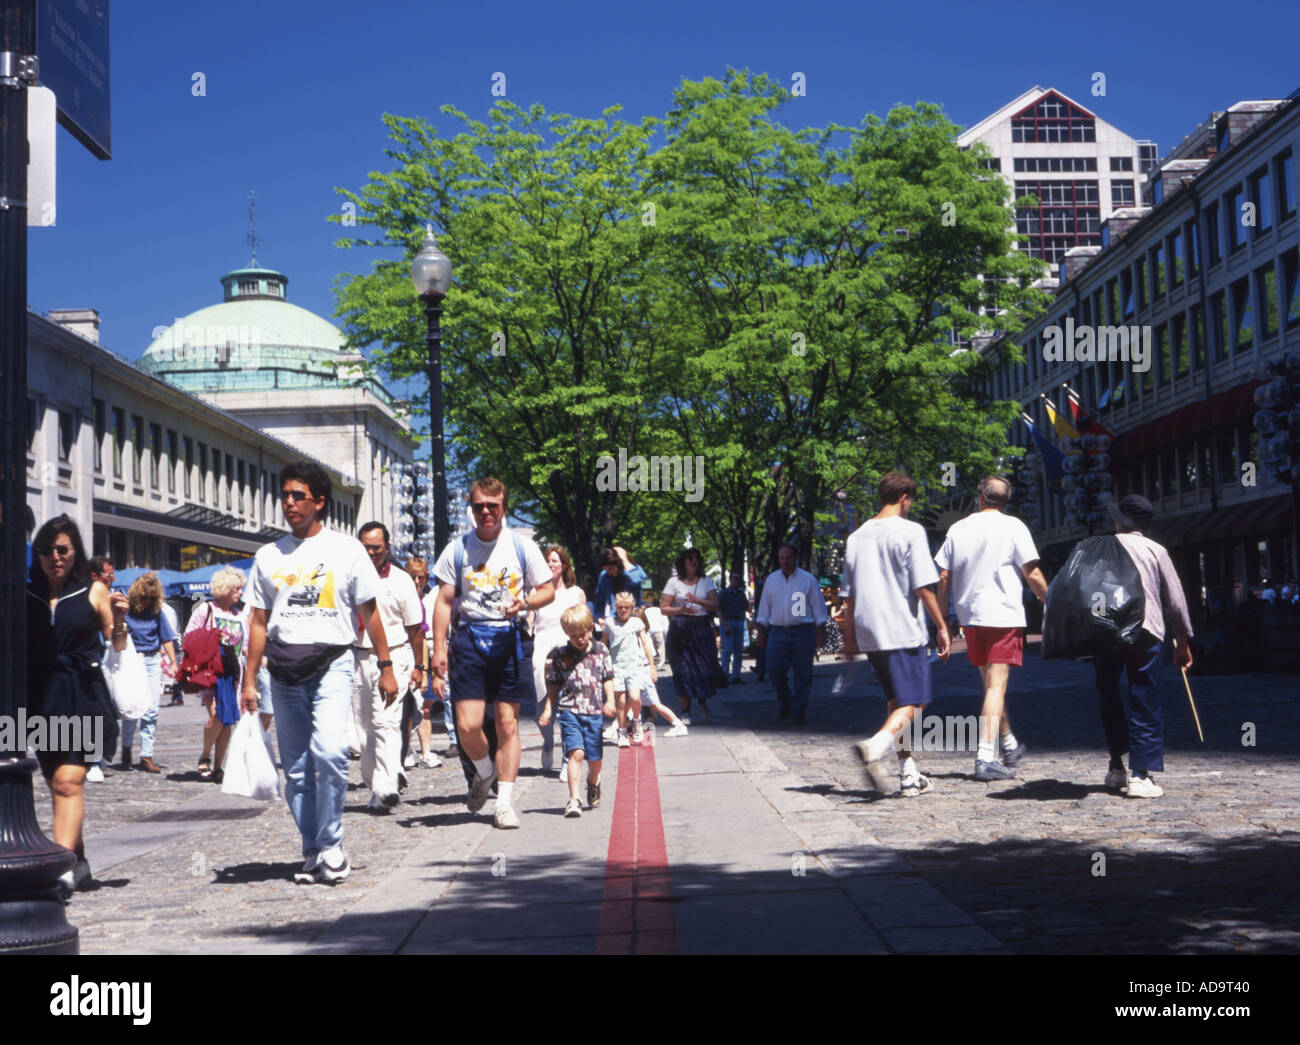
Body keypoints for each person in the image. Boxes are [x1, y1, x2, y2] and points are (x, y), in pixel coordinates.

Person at [241, 461, 398, 885]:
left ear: (319, 502)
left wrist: (386, 666)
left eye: (299, 496)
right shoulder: (268, 555)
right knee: (294, 768)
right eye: (286, 495)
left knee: (329, 753)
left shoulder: (346, 550)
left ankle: (331, 844)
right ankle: (312, 848)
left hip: (332, 662)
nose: (290, 503)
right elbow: (258, 620)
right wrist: (249, 678)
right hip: (284, 669)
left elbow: (369, 610)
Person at [429, 477, 554, 829]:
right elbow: (443, 601)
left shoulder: (521, 547)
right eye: (480, 505)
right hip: (469, 640)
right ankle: (484, 773)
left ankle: (505, 802)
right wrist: (438, 650)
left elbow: (547, 591)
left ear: (504, 508)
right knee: (467, 725)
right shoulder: (457, 550)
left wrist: (526, 601)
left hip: (510, 640)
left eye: (493, 506)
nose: (486, 511)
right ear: (471, 506)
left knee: (506, 722)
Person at [27, 515, 128, 895]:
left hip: (81, 693)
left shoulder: (93, 590)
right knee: (55, 781)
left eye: (63, 550)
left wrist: (119, 619)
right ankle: (79, 861)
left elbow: (116, 643)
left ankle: (61, 868)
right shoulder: (22, 592)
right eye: (47, 550)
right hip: (36, 695)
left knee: (70, 780)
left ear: (75, 554)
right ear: (37, 555)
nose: (55, 557)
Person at [842, 472, 951, 796]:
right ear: (904, 497)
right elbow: (923, 586)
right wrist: (942, 625)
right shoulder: (910, 531)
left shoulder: (857, 536)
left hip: (869, 630)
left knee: (897, 700)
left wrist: (849, 638)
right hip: (901, 627)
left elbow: (847, 594)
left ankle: (907, 772)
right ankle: (876, 745)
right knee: (916, 701)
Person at [934, 476, 1049, 781]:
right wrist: (1050, 600)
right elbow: (1032, 572)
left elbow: (943, 576)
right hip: (1002, 615)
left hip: (970, 616)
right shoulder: (1014, 527)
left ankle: (1009, 745)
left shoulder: (958, 528)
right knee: (996, 688)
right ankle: (985, 756)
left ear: (980, 497)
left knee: (990, 688)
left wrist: (943, 619)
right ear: (1005, 501)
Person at [1094, 495, 1194, 798]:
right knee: (1144, 697)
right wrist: (1183, 640)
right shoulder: (1156, 550)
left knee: (1109, 696)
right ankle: (1140, 774)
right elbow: (1175, 600)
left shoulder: (1101, 548)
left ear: (1121, 521)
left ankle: (1115, 766)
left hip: (1106, 631)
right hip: (1146, 630)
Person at [353, 522, 426, 812]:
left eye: (376, 548)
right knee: (362, 731)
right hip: (357, 657)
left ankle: (389, 783)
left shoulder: (401, 581)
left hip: (395, 657)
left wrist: (419, 666)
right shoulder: (350, 577)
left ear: (387, 548)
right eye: (365, 547)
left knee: (386, 723)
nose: (371, 553)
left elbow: (415, 629)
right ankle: (377, 786)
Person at [539, 605, 616, 817]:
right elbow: (553, 683)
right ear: (566, 634)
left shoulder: (601, 650)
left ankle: (593, 781)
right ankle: (574, 799)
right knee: (576, 753)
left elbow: (607, 677)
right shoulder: (560, 654)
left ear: (590, 628)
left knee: (595, 761)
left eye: (582, 634)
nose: (578, 639)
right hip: (569, 710)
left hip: (593, 711)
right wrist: (548, 708)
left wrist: (610, 701)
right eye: (573, 636)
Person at [186, 566, 250, 782]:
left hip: (233, 674)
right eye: (236, 589)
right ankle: (204, 757)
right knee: (217, 715)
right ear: (225, 589)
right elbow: (189, 636)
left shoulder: (240, 615)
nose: (240, 593)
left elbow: (246, 646)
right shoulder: (206, 610)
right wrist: (212, 636)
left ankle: (219, 766)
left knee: (227, 720)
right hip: (212, 673)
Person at [530, 545, 587, 774]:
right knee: (542, 708)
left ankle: (567, 758)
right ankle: (547, 743)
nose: (551, 565)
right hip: (542, 648)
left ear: (564, 565)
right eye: (547, 561)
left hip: (567, 647)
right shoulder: (536, 593)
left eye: (555, 561)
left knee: (567, 707)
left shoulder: (575, 593)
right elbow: (529, 623)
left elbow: (583, 623)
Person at [756, 544, 828, 724]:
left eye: (788, 558)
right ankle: (786, 700)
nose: (785, 561)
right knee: (774, 669)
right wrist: (761, 630)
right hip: (777, 632)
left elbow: (818, 606)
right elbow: (765, 606)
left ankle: (798, 711)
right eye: (782, 558)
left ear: (794, 558)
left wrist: (821, 630)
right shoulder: (771, 580)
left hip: (803, 631)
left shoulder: (808, 579)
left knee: (803, 674)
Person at [120, 572, 179, 774]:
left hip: (152, 660)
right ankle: (126, 749)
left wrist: (173, 662)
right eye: (144, 597)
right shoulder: (126, 612)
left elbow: (167, 639)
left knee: (152, 709)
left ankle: (146, 754)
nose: (147, 601)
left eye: (151, 598)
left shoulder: (156, 613)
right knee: (131, 709)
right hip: (131, 661)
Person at [661, 548, 719, 724]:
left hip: (701, 628)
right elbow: (664, 608)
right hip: (680, 628)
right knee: (682, 670)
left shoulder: (706, 581)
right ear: (683, 562)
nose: (694, 561)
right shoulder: (673, 582)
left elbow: (715, 604)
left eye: (696, 558)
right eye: (690, 558)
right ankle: (685, 712)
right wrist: (681, 609)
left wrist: (698, 601)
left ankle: (702, 699)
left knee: (704, 668)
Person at [402, 557, 442, 770]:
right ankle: (406, 749)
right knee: (404, 706)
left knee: (424, 706)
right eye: (412, 577)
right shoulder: (402, 597)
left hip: (419, 657)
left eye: (421, 577)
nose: (417, 581)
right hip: (401, 654)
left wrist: (425, 670)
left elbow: (423, 639)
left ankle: (426, 751)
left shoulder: (424, 603)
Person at [84, 559, 115, 783]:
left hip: (100, 662)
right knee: (96, 713)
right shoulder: (92, 593)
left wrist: (118, 616)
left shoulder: (104, 595)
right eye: (108, 575)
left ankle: (96, 758)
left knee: (105, 714)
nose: (111, 580)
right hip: (85, 663)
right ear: (95, 576)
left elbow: (113, 638)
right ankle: (92, 760)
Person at [592, 546, 647, 628]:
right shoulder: (604, 576)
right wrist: (599, 617)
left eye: (611, 568)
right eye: (606, 569)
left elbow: (637, 579)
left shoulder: (631, 571)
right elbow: (599, 600)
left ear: (619, 562)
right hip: (615, 621)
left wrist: (624, 560)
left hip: (634, 620)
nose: (609, 572)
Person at [717, 572, 750, 684]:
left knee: (738, 651)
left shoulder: (741, 593)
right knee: (727, 650)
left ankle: (736, 676)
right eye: (734, 578)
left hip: (739, 621)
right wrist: (724, 625)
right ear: (730, 579)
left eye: (738, 578)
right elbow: (719, 609)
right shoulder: (724, 593)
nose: (736, 580)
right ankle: (725, 675)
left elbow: (745, 607)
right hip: (728, 621)